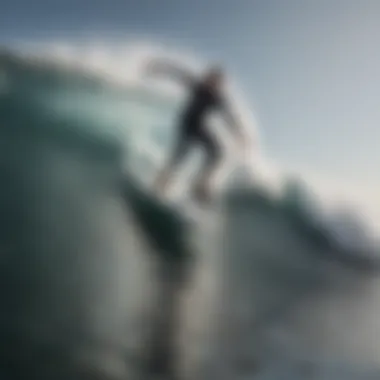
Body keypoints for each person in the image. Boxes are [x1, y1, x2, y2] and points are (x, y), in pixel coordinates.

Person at [146, 59, 246, 203]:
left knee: (217, 153)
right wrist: (158, 67)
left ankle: (200, 184)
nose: (212, 83)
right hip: (186, 125)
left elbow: (229, 117)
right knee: (178, 158)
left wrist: (239, 134)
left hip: (199, 127)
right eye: (211, 79)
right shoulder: (197, 85)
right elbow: (177, 73)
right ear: (207, 77)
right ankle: (158, 186)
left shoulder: (218, 98)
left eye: (217, 82)